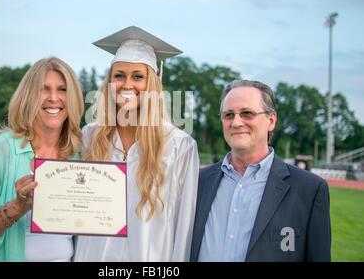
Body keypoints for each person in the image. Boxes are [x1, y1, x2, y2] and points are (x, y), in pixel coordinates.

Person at [73, 26, 200, 261]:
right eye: (119, 75)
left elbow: (184, 228)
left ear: (152, 84)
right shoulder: (91, 137)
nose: (127, 84)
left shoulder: (180, 146)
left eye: (138, 76)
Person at [0, 57, 84, 261]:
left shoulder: (78, 159)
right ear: (28, 96)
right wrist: (16, 208)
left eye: (62, 89)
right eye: (44, 89)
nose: (53, 97)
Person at [190, 80, 331, 262]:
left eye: (247, 113)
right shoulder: (197, 182)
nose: (236, 122)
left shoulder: (309, 190)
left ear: (271, 121)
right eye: (229, 115)